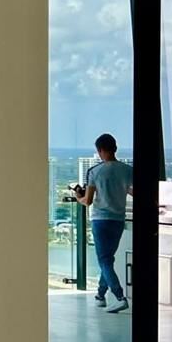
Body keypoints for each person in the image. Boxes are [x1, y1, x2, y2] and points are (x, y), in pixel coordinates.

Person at [72, 133, 133, 313]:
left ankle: (120, 297)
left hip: (100, 220)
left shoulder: (95, 171)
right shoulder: (128, 170)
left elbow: (88, 201)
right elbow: (132, 191)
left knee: (104, 260)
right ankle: (100, 295)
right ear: (115, 148)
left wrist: (78, 197)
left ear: (100, 150)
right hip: (118, 220)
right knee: (108, 259)